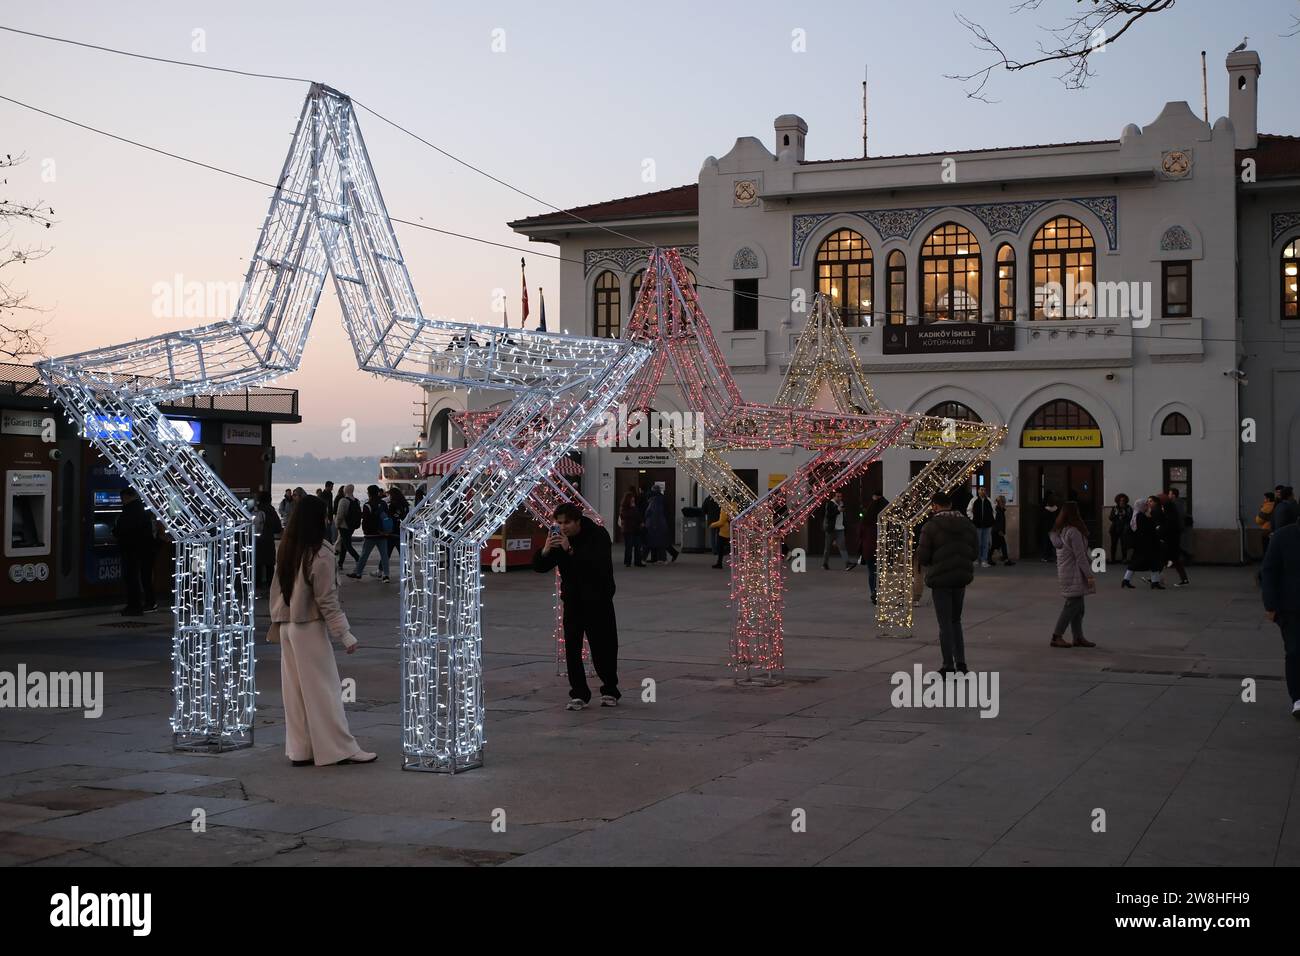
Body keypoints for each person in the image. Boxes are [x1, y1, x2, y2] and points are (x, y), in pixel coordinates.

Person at [268, 494, 376, 766]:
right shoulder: (321, 551)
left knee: (295, 694)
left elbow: (275, 590)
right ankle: (339, 749)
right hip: (308, 627)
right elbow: (326, 598)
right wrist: (345, 633)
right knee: (325, 691)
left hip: (286, 627)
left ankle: (301, 750)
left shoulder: (287, 548)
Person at [533, 503, 620, 710]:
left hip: (598, 601)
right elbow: (540, 567)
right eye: (559, 523)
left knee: (603, 647)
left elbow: (596, 565)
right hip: (573, 601)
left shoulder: (597, 535)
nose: (563, 527)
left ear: (577, 521)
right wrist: (545, 550)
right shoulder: (560, 539)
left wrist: (569, 550)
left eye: (567, 523)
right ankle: (579, 693)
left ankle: (610, 690)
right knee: (572, 648)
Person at [916, 491, 978, 676]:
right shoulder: (967, 524)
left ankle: (947, 665)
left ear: (934, 506)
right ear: (950, 504)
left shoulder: (931, 526)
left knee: (945, 624)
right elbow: (974, 552)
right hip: (960, 578)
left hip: (940, 579)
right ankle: (962, 664)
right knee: (955, 621)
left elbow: (923, 556)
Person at [1261, 500, 1300, 718]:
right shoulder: (1284, 537)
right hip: (1292, 607)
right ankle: (1298, 698)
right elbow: (1269, 572)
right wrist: (1271, 605)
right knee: (1295, 652)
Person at [1048, 502, 1097, 648]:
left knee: (1078, 607)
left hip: (1066, 571)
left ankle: (1078, 637)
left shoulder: (1060, 530)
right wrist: (1089, 575)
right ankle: (1057, 636)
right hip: (1074, 572)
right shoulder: (1073, 532)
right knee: (1072, 606)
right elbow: (1080, 556)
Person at [113, 487, 157, 616]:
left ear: (127, 497)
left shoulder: (130, 511)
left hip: (132, 550)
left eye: (122, 498)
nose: (122, 501)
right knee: (145, 577)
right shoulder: (143, 510)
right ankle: (149, 602)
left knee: (132, 578)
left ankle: (134, 606)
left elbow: (123, 529)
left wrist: (115, 532)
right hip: (146, 550)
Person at [347, 485, 392, 582]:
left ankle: (358, 573)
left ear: (370, 493)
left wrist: (365, 530)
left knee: (364, 555)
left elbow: (366, 520)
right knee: (384, 555)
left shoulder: (367, 505)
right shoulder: (383, 504)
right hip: (383, 534)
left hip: (371, 534)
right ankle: (386, 575)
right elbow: (387, 516)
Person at [1123, 496, 1164, 589]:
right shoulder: (1141, 516)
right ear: (1141, 506)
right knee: (1153, 562)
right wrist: (1150, 519)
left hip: (1142, 544)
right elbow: (1148, 529)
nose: (1147, 506)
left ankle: (1126, 580)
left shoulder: (1136, 515)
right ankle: (1155, 583)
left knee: (1137, 562)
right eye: (1145, 505)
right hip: (1146, 544)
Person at [854, 492, 887, 603]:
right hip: (881, 549)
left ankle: (873, 592)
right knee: (880, 572)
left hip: (868, 549)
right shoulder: (884, 521)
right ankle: (878, 591)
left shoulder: (866, 520)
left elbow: (860, 534)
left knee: (871, 572)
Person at [254, 490, 283, 594]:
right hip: (268, 541)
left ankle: (255, 589)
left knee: (256, 566)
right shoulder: (271, 511)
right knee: (269, 566)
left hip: (256, 541)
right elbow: (278, 528)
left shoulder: (254, 511)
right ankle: (271, 589)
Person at [643, 484, 678, 563]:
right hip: (663, 522)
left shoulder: (654, 500)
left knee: (657, 541)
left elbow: (651, 512)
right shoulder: (662, 498)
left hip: (657, 523)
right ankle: (659, 557)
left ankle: (658, 558)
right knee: (661, 541)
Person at [1160, 498, 1190, 587]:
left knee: (1163, 561)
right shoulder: (1173, 516)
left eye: (1163, 507)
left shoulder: (1169, 517)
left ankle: (1156, 578)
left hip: (1170, 543)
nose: (1162, 508)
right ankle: (1184, 579)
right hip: (1173, 543)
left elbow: (1168, 530)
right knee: (1174, 562)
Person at [966, 486, 996, 568]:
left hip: (987, 525)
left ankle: (984, 560)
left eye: (984, 490)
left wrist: (992, 520)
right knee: (977, 543)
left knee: (985, 543)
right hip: (977, 525)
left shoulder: (989, 500)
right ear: (978, 491)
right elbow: (969, 510)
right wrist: (973, 518)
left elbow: (994, 511)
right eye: (981, 490)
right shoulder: (974, 500)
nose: (982, 491)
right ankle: (976, 559)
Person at [334, 484, 361, 569]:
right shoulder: (356, 501)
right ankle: (340, 563)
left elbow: (340, 515)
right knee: (344, 544)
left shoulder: (343, 501)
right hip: (352, 526)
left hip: (344, 526)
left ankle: (359, 560)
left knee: (347, 545)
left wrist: (337, 524)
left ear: (345, 490)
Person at [822, 491, 850, 570]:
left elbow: (844, 517)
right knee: (827, 548)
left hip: (840, 528)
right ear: (834, 497)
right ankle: (825, 563)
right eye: (837, 496)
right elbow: (828, 516)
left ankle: (847, 563)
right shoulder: (830, 504)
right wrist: (838, 511)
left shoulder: (842, 503)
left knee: (842, 546)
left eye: (840, 496)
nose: (839, 498)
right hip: (831, 529)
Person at [384, 487, 409, 574]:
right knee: (403, 554)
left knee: (387, 553)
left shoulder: (392, 505)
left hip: (392, 531)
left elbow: (390, 518)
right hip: (402, 531)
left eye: (390, 494)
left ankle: (381, 570)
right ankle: (406, 570)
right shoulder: (405, 505)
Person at [619, 489, 645, 568]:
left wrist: (641, 522)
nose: (633, 499)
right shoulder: (624, 508)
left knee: (638, 546)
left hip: (636, 529)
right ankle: (628, 562)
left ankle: (638, 561)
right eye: (631, 498)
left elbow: (638, 516)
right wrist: (633, 509)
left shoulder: (634, 507)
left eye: (633, 498)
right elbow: (625, 516)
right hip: (628, 529)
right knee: (629, 547)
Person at [990, 494, 1015, 565]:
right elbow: (997, 522)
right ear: (1000, 502)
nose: (1005, 503)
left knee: (995, 545)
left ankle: (991, 558)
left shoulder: (1000, 510)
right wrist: (1000, 531)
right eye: (1003, 502)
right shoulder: (997, 511)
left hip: (997, 531)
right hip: (997, 531)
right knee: (1000, 545)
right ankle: (1005, 560)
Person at [1109, 493, 1133, 563]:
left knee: (1124, 544)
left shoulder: (1128, 508)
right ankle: (1112, 559)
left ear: (1126, 501)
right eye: (1120, 500)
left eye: (1123, 500)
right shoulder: (1115, 508)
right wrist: (1116, 515)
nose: (1122, 502)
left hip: (1124, 529)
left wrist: (1125, 514)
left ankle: (1124, 558)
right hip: (1115, 528)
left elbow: (1131, 518)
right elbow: (1110, 518)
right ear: (1118, 501)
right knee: (1113, 544)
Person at [1039, 491, 1060, 562]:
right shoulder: (1056, 508)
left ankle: (1045, 556)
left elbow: (1041, 518)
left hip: (1045, 527)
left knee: (1045, 541)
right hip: (1053, 527)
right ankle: (1050, 555)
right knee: (1052, 542)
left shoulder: (1043, 508)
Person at [1256, 491, 1276, 556]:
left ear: (1268, 499)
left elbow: (1259, 520)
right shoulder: (1276, 505)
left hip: (1266, 529)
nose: (1264, 500)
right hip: (1274, 529)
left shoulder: (1267, 507)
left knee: (1266, 548)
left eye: (1265, 498)